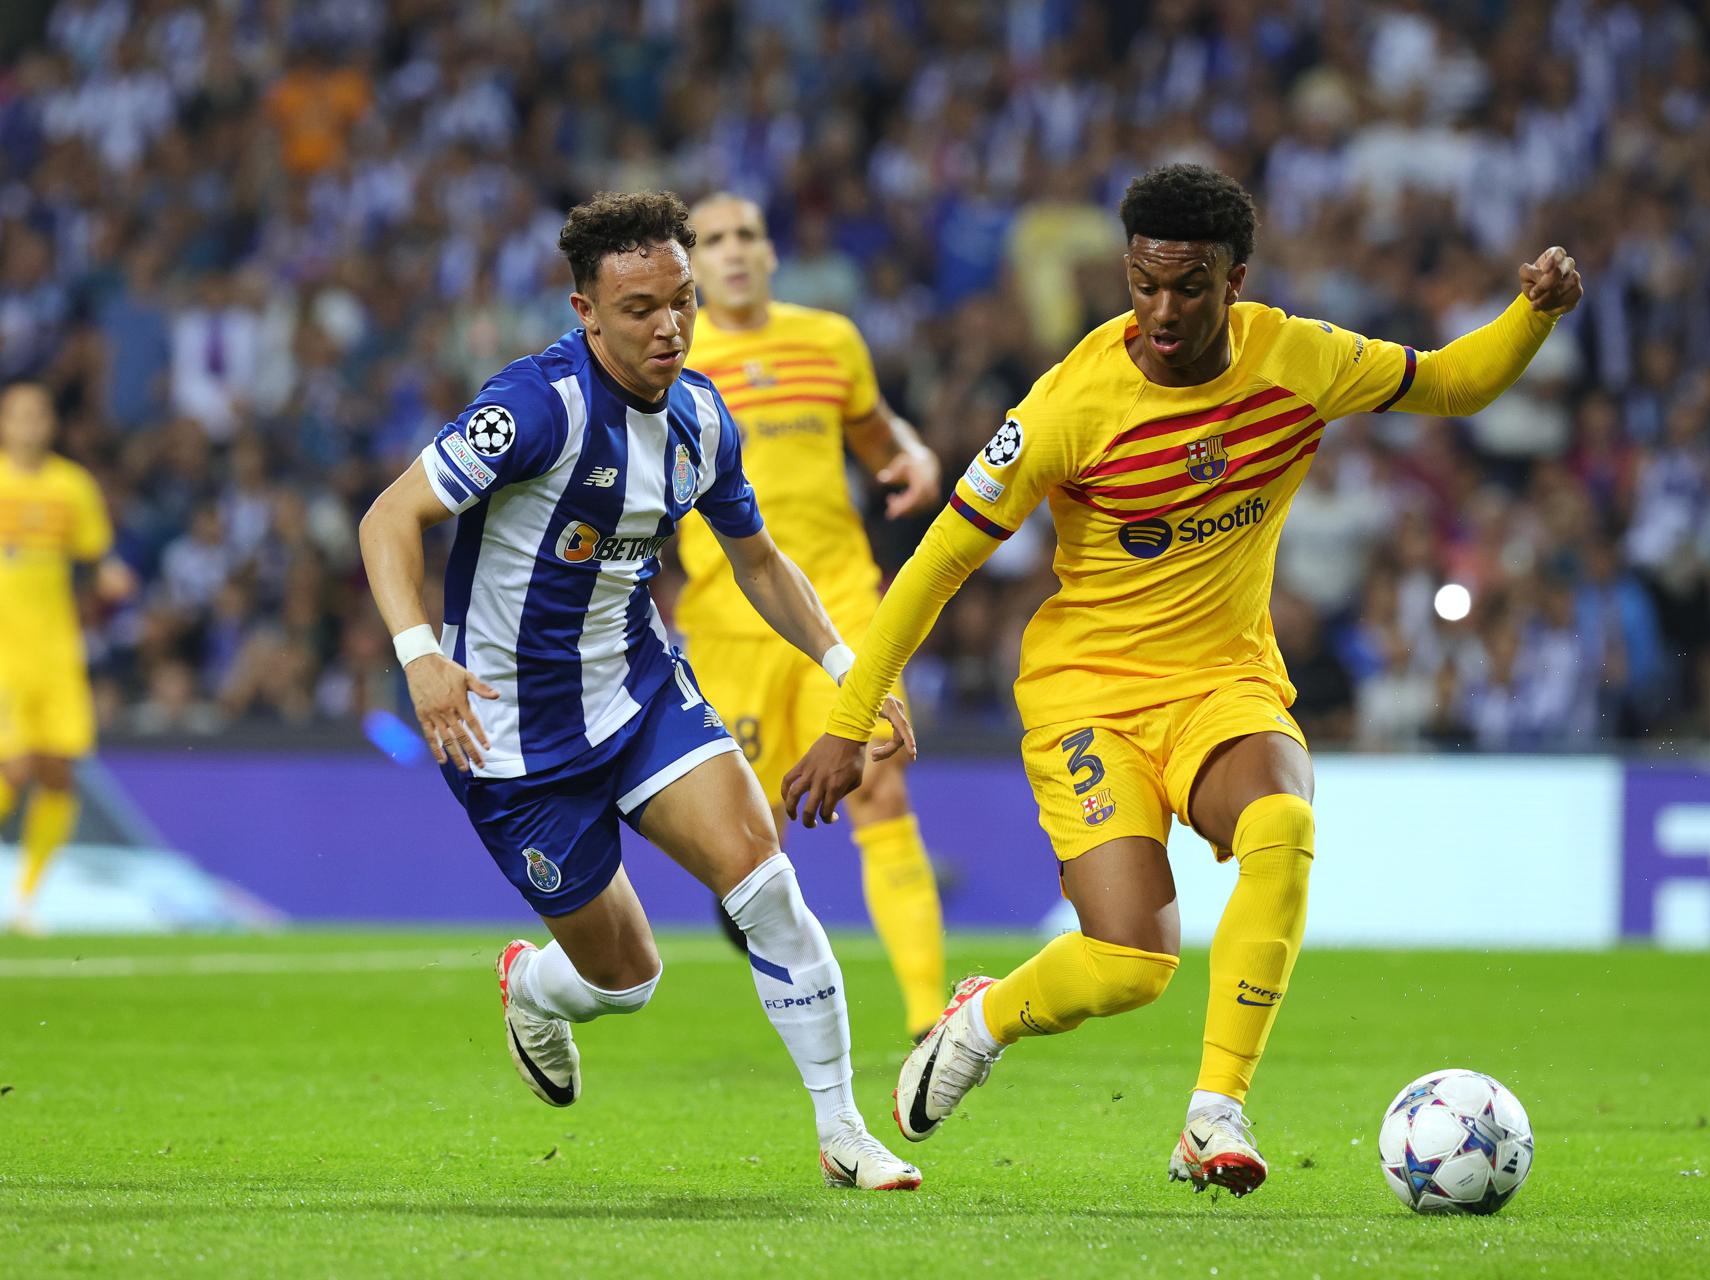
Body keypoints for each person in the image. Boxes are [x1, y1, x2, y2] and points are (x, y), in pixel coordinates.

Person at [784, 164, 1582, 1197]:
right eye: (1144, 283)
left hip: (1224, 682)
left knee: (1284, 827)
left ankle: (1215, 1111)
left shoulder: (1300, 357)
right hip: (1087, 696)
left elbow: (1452, 381)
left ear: (1233, 280)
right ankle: (982, 1016)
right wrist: (850, 721)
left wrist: (1531, 313)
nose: (1162, 310)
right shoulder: (1069, 405)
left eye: (1190, 286)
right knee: (1131, 964)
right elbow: (936, 564)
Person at [358, 191, 921, 1191]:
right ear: (585, 311)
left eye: (682, 301)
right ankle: (532, 982)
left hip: (637, 692)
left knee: (768, 886)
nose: (669, 327)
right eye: (640, 309)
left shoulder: (703, 415)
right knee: (629, 982)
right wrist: (418, 655)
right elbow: (388, 518)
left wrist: (849, 669)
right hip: (510, 737)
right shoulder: (535, 408)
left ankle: (843, 1131)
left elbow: (759, 562)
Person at [680, 192, 948, 1038]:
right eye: (712, 240)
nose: (732, 252)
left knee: (881, 785)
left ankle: (929, 1021)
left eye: (745, 236)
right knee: (747, 847)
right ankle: (784, 972)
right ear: (690, 265)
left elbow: (874, 433)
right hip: (731, 624)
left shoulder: (830, 339)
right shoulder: (673, 353)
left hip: (839, 603)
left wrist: (909, 454)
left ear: (770, 253)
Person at [0, 381, 135, 933]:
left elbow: (96, 555)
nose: (30, 423)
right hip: (4, 650)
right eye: (19, 414)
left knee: (58, 774)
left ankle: (26, 899)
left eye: (39, 414)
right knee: (14, 765)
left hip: (56, 651)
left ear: (51, 424)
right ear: (4, 422)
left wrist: (111, 576)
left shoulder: (71, 486)